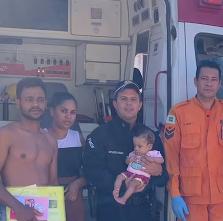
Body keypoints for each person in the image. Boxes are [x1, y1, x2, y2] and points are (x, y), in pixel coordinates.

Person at [163, 60, 223, 221]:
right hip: (191, 197)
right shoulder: (179, 112)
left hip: (221, 198)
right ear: (196, 81)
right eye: (204, 78)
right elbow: (171, 157)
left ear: (219, 83)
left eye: (214, 79)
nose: (209, 83)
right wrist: (175, 193)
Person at [83, 80, 169, 221]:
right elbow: (93, 172)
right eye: (124, 99)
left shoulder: (150, 137)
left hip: (142, 211)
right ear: (115, 104)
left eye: (133, 99)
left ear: (140, 105)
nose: (129, 103)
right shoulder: (100, 134)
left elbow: (164, 177)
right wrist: (125, 186)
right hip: (110, 210)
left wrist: (157, 172)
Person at [0, 77, 58, 221]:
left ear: (45, 103)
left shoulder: (51, 140)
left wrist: (57, 213)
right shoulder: (6, 135)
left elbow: (53, 182)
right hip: (13, 210)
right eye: (29, 99)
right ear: (18, 103)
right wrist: (18, 208)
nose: (35, 104)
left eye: (40, 99)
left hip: (43, 212)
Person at [44, 92, 88, 221]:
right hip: (47, 195)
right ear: (52, 111)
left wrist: (77, 184)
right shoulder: (42, 137)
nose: (68, 116)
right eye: (64, 111)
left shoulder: (78, 138)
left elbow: (91, 169)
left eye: (73, 112)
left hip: (73, 196)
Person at [113, 125, 164, 205]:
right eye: (135, 146)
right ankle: (116, 190)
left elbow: (162, 160)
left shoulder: (152, 153)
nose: (136, 149)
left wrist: (153, 159)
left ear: (149, 147)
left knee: (132, 184)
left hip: (141, 177)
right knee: (119, 177)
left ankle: (124, 199)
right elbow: (126, 161)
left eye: (139, 146)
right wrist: (129, 160)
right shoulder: (133, 153)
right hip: (129, 173)